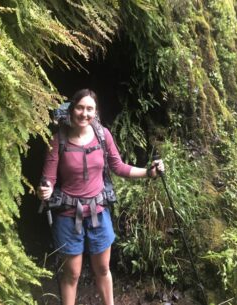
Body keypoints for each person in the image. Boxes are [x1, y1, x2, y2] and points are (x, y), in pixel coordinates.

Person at [37, 89, 164, 305]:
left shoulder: (103, 135)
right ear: (71, 108)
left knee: (103, 268)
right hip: (68, 216)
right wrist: (45, 190)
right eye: (80, 107)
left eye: (89, 109)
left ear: (95, 112)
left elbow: (119, 167)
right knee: (72, 274)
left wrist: (148, 173)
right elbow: (47, 179)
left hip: (98, 212)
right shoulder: (58, 140)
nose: (84, 113)